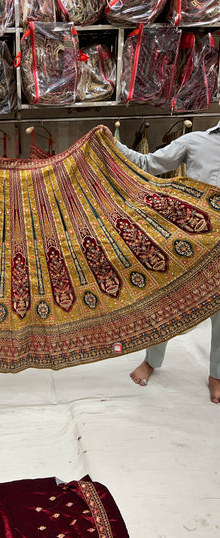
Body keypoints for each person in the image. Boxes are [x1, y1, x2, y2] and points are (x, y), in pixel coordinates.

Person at [103, 121, 220, 404]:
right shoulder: (195, 142)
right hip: (194, 241)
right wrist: (111, 143)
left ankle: (216, 374)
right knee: (166, 301)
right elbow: (147, 163)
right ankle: (152, 361)